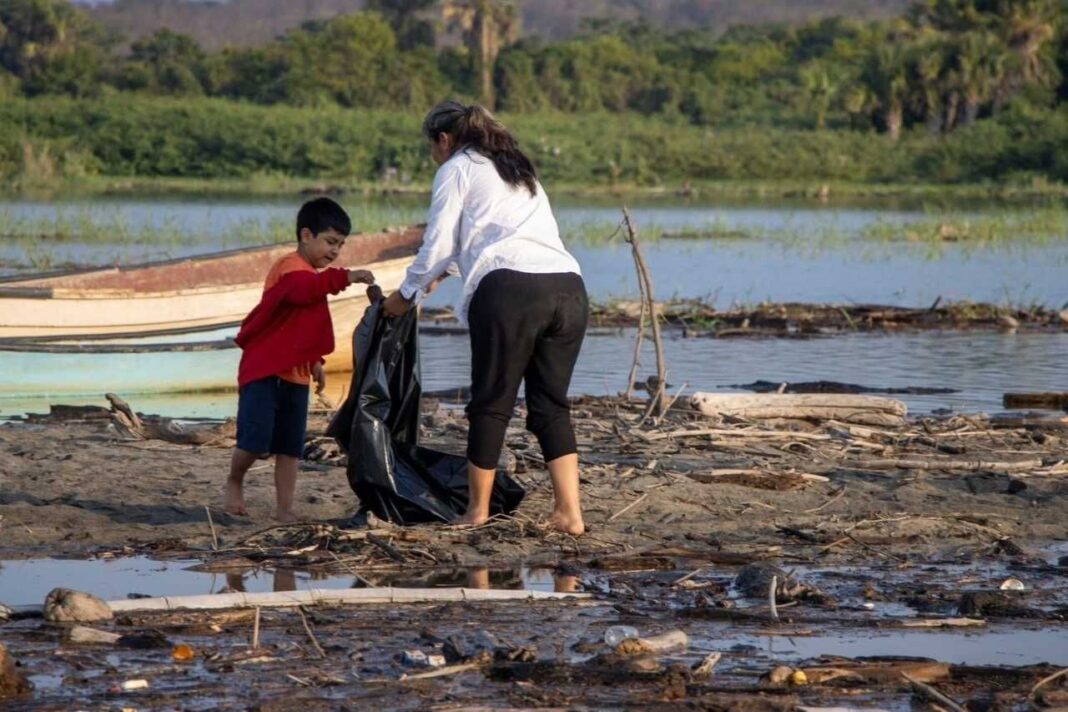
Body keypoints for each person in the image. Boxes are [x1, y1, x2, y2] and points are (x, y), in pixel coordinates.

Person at [383, 100, 588, 535]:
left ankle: (477, 511)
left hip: (511, 291)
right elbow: (487, 236)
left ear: (444, 139)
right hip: (569, 287)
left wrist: (405, 294)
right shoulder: (517, 167)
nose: (434, 156)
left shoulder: (456, 167)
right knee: (550, 406)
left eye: (432, 147)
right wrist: (438, 276)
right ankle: (570, 515)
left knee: (491, 403)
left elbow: (439, 243)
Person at [224, 197, 375, 521]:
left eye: (341, 245)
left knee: (290, 447)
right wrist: (344, 277)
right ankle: (235, 480)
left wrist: (315, 361)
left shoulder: (310, 275)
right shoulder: (290, 268)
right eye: (330, 242)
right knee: (254, 440)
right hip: (265, 369)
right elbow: (301, 292)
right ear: (306, 235)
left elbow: (303, 328)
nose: (335, 252)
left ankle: (285, 508)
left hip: (295, 374)